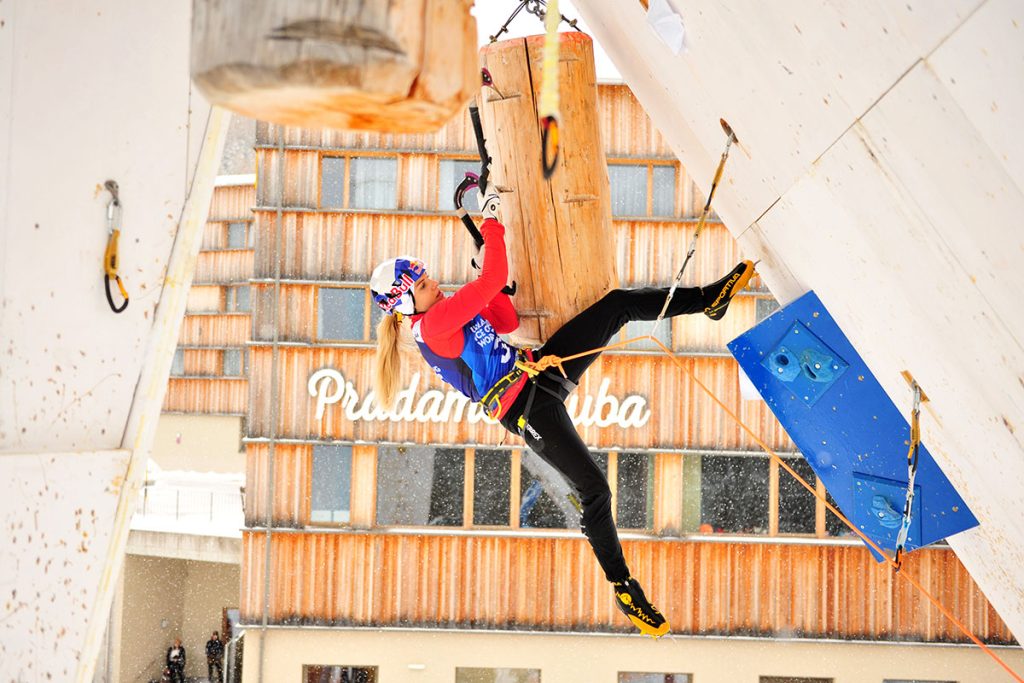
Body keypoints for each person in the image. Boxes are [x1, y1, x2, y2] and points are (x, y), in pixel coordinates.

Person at [370, 194, 754, 637]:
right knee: (594, 489)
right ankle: (624, 587)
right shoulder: (432, 326)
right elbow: (494, 278)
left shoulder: (445, 310)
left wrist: (486, 278)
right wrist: (491, 224)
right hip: (525, 407)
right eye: (420, 285)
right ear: (404, 305)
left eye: (425, 276)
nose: (432, 282)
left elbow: (504, 314)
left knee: (617, 305)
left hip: (537, 372)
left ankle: (707, 301)